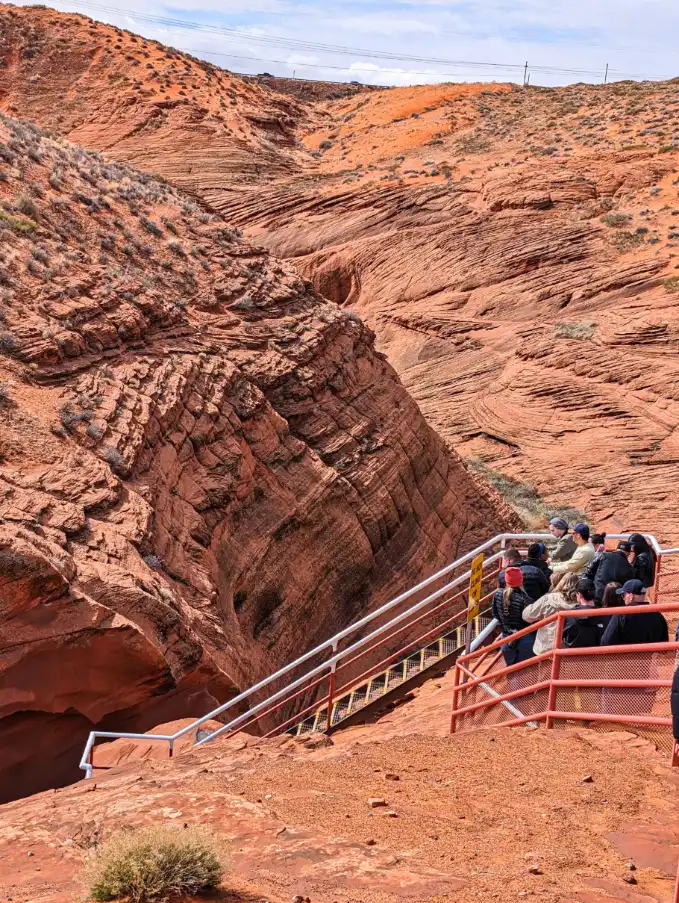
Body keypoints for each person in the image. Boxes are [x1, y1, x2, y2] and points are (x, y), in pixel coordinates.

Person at [522, 572, 580, 655]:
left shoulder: (548, 599)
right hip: (567, 649)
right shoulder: (580, 604)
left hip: (545, 648)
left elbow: (526, 615)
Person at [600, 580, 668, 647]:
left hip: (626, 657)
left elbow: (606, 642)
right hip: (650, 657)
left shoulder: (621, 614)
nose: (623, 599)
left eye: (624, 595)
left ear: (631, 596)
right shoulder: (658, 616)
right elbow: (665, 644)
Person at [491, 567, 536, 667]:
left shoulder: (497, 594)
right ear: (521, 580)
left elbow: (495, 614)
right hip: (524, 640)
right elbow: (532, 621)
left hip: (506, 639)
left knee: (511, 672)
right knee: (526, 672)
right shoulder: (526, 600)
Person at [562, 578, 608, 648]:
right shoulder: (605, 615)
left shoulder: (569, 615)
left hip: (573, 657)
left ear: (579, 595)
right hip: (598, 657)